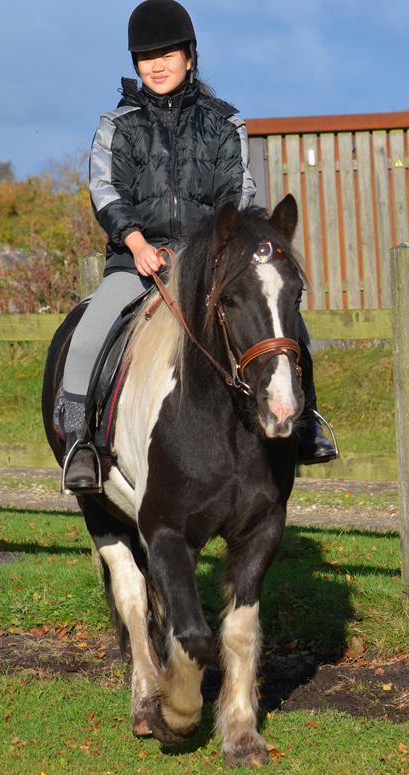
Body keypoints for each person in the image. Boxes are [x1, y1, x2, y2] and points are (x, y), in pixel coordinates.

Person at [60, 0, 337, 494]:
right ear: (135, 64)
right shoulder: (116, 125)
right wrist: (137, 242)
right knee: (88, 334)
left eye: (168, 53)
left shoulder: (224, 122)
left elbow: (238, 195)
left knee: (287, 324)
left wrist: (207, 253)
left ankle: (307, 419)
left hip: (209, 262)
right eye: (147, 56)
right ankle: (81, 444)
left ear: (190, 56)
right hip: (136, 261)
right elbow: (106, 190)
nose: (158, 64)